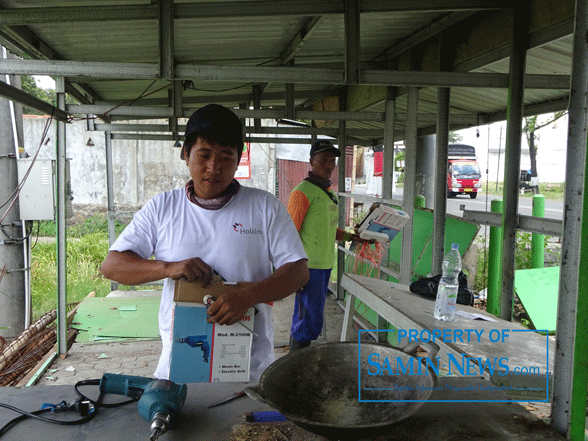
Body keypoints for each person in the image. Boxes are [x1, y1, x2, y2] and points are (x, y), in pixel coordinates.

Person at [101, 104, 309, 381]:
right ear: (185, 154)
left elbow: (298, 271)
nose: (214, 167)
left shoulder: (264, 207)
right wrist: (167, 268)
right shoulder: (163, 207)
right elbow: (112, 266)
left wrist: (247, 297)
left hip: (249, 369)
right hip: (178, 365)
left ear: (239, 158)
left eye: (226, 157)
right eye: (205, 155)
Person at [287, 139, 370, 351]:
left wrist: (351, 237)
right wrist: (292, 270)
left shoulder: (327, 193)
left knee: (313, 318)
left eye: (332, 160)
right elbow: (289, 234)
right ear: (311, 161)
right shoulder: (302, 192)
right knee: (306, 319)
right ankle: (296, 366)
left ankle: (302, 361)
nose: (328, 164)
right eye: (323, 159)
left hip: (324, 266)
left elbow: (328, 230)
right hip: (308, 267)